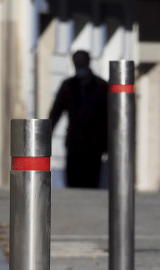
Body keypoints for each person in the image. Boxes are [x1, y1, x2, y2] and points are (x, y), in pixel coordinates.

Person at [49, 50, 108, 188]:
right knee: (73, 180)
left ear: (88, 62)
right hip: (74, 141)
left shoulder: (101, 87)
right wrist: (46, 134)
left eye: (81, 62)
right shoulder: (68, 86)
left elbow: (109, 118)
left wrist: (108, 143)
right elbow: (56, 112)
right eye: (76, 62)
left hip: (94, 143)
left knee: (91, 181)